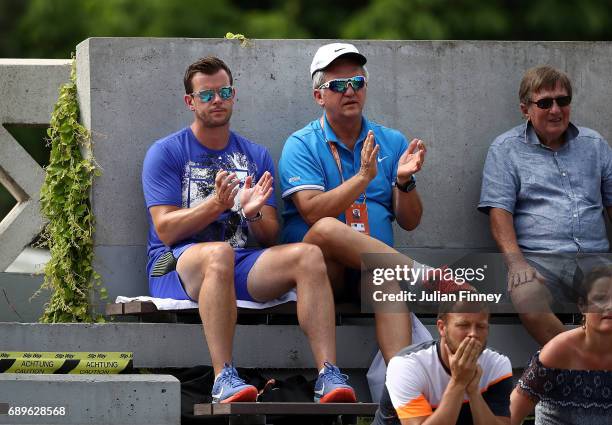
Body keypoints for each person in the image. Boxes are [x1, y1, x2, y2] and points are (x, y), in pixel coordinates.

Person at [142, 56, 355, 404]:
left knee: (308, 254)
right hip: (176, 265)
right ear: (190, 102)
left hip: (239, 263)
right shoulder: (165, 152)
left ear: (234, 94)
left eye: (224, 92)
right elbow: (165, 229)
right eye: (207, 94)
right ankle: (223, 376)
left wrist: (253, 215)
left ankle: (328, 375)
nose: (217, 100)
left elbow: (270, 236)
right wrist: (215, 205)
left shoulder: (254, 154)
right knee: (219, 253)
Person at [279, 42, 458, 363]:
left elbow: (410, 221)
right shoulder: (301, 144)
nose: (350, 91)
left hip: (371, 270)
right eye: (338, 85)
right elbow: (311, 211)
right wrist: (362, 178)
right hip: (322, 273)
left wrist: (405, 182)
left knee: (382, 273)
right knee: (325, 228)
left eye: (357, 83)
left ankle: (400, 384)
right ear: (319, 96)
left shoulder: (390, 141)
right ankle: (419, 274)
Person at [478, 65, 612, 345]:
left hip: (597, 260)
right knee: (526, 295)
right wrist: (516, 264)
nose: (555, 110)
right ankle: (577, 359)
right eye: (544, 103)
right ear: (525, 109)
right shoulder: (505, 149)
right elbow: (499, 213)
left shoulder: (594, 145)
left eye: (562, 101)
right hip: (540, 261)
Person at [373, 299, 513, 425]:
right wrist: (458, 382)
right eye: (463, 325)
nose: (473, 334)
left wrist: (474, 392)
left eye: (481, 327)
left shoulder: (498, 364)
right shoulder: (405, 365)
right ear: (442, 327)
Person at [510, 265, 612, 425]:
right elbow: (509, 416)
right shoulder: (558, 351)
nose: (610, 306)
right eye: (600, 298)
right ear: (582, 306)